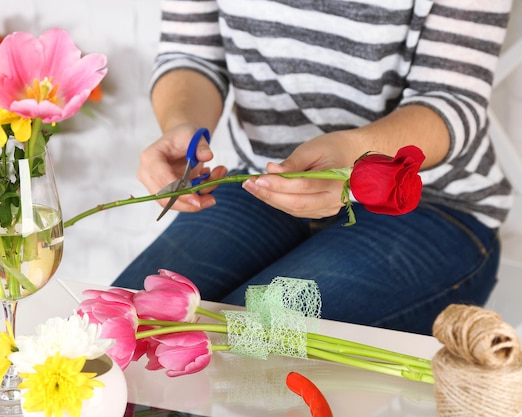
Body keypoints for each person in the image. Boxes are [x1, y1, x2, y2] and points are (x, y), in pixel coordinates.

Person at [112, 0, 514, 335]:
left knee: (244, 348)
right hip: (263, 184)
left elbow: (450, 97)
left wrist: (355, 156)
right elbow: (192, 53)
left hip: (428, 206)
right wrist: (183, 125)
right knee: (114, 332)